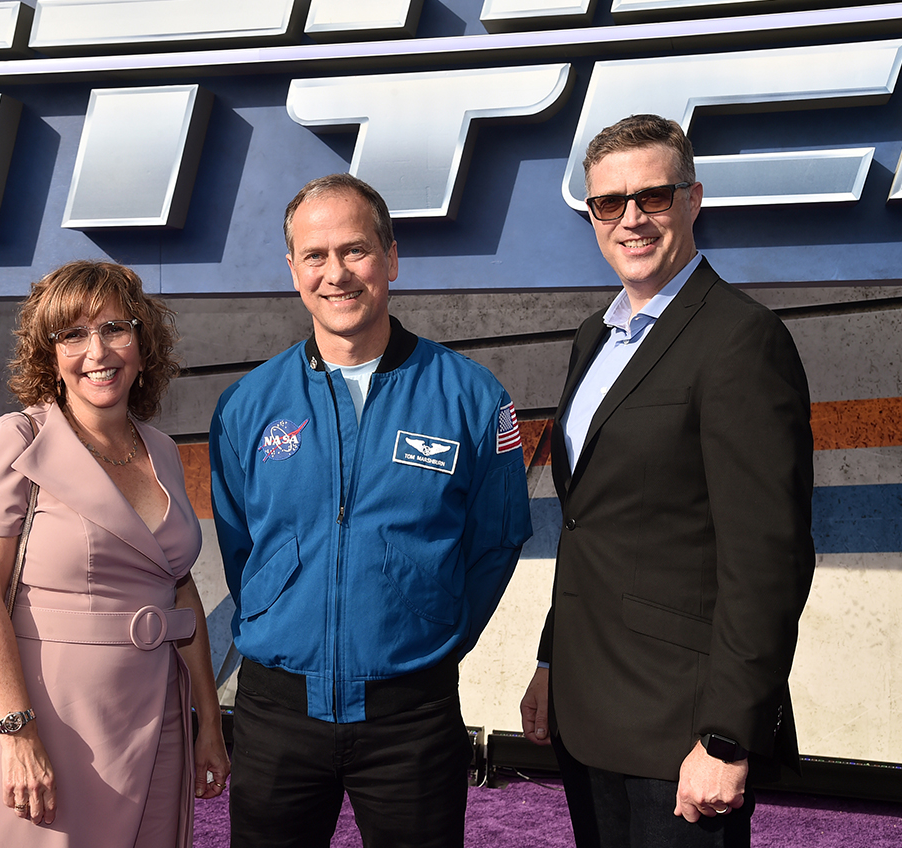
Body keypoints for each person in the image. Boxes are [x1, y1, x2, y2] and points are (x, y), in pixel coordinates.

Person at [519, 114, 816, 847]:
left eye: (652, 196)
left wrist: (727, 736)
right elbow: (593, 522)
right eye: (608, 203)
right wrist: (553, 659)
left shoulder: (741, 340)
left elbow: (769, 560)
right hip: (590, 713)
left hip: (680, 729)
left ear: (693, 198)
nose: (630, 219)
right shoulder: (596, 335)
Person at [210, 173, 533, 847]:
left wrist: (426, 629)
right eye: (316, 256)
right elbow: (242, 547)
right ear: (293, 269)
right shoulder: (248, 404)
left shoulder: (473, 397)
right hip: (277, 713)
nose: (337, 274)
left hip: (412, 717)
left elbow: (495, 543)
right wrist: (283, 614)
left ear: (391, 256)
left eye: (355, 251)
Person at [0, 260, 228, 848]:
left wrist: (208, 722)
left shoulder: (164, 451)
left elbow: (180, 585)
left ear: (143, 346)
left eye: (115, 329)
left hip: (159, 713)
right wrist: (17, 734)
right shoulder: (12, 441)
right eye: (72, 334)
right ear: (49, 356)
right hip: (49, 717)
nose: (97, 350)